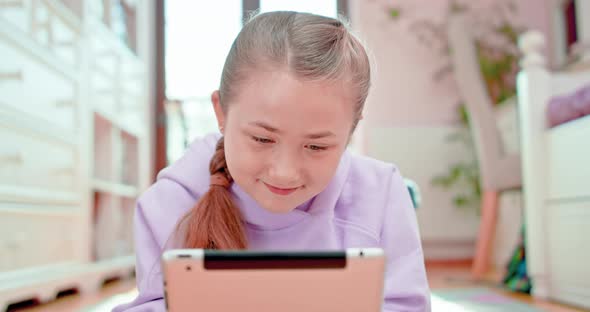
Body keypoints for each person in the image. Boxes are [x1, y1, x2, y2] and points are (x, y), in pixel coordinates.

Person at [114, 11, 430, 312]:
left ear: (351, 130)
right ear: (221, 112)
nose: (284, 172)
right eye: (263, 139)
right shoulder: (170, 202)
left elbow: (406, 306)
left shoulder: (383, 193)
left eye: (316, 146)